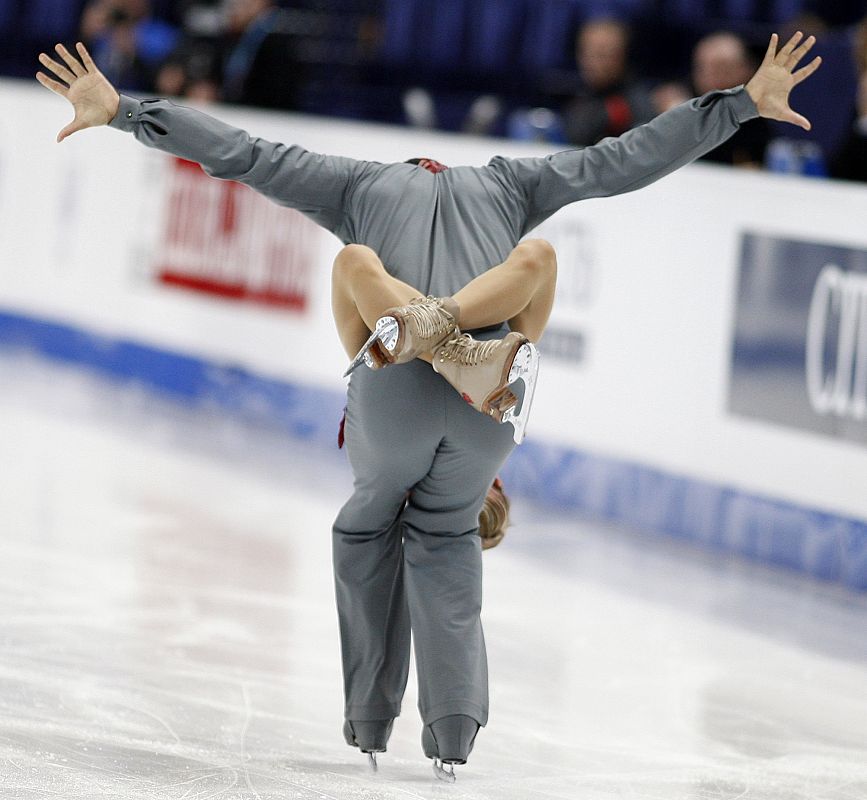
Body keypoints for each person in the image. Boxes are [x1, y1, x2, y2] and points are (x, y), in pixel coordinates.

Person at [36, 30, 820, 780]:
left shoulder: (351, 183)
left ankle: (370, 717)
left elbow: (241, 154)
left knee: (365, 462)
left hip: (393, 403)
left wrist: (129, 112)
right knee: (450, 511)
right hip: (484, 416)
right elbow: (623, 161)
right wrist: (739, 105)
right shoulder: (514, 185)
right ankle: (451, 728)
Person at [654, 31, 771, 168]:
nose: (711, 77)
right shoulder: (679, 99)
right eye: (703, 68)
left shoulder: (757, 112)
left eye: (722, 69)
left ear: (746, 70)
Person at [561, 18, 656, 147]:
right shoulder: (575, 93)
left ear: (622, 56)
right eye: (587, 53)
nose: (592, 63)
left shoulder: (637, 104)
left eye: (602, 54)